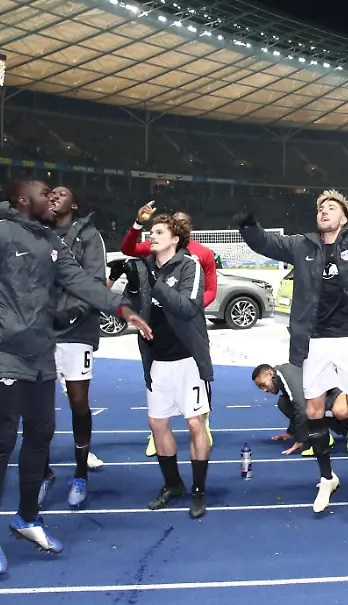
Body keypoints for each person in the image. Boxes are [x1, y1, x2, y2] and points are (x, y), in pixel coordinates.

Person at [0, 180, 149, 575]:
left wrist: (122, 308)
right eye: (45, 194)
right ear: (24, 200)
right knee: (2, 439)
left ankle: (28, 518)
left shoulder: (51, 241)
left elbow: (83, 282)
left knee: (41, 436)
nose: (52, 198)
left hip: (40, 354)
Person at [237, 189, 348, 515]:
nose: (324, 211)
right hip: (315, 341)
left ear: (344, 217)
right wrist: (248, 225)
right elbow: (266, 242)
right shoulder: (302, 245)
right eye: (320, 208)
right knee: (313, 411)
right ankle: (327, 478)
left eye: (331, 207)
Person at [0, 186, 108, 509]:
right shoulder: (30, 229)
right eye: (50, 193)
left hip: (75, 330)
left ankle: (80, 473)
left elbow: (90, 282)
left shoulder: (89, 236)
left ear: (74, 204)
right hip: (34, 334)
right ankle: (41, 475)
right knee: (31, 416)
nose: (55, 197)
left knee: (77, 402)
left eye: (62, 194)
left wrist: (73, 313)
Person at [123, 214, 212, 518]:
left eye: (159, 232)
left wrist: (154, 283)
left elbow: (187, 307)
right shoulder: (143, 266)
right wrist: (130, 307)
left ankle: (198, 490)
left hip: (188, 359)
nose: (152, 235)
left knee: (195, 424)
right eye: (151, 232)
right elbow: (129, 304)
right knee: (157, 424)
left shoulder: (190, 266)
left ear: (175, 239)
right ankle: (173, 484)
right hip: (156, 360)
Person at [251, 363, 348, 455]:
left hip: (340, 389)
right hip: (322, 395)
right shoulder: (281, 379)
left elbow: (301, 408)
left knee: (340, 411)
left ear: (270, 374)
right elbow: (295, 404)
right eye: (260, 388)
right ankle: (324, 437)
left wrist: (301, 440)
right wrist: (292, 432)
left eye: (263, 385)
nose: (264, 390)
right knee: (284, 402)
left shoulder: (284, 374)